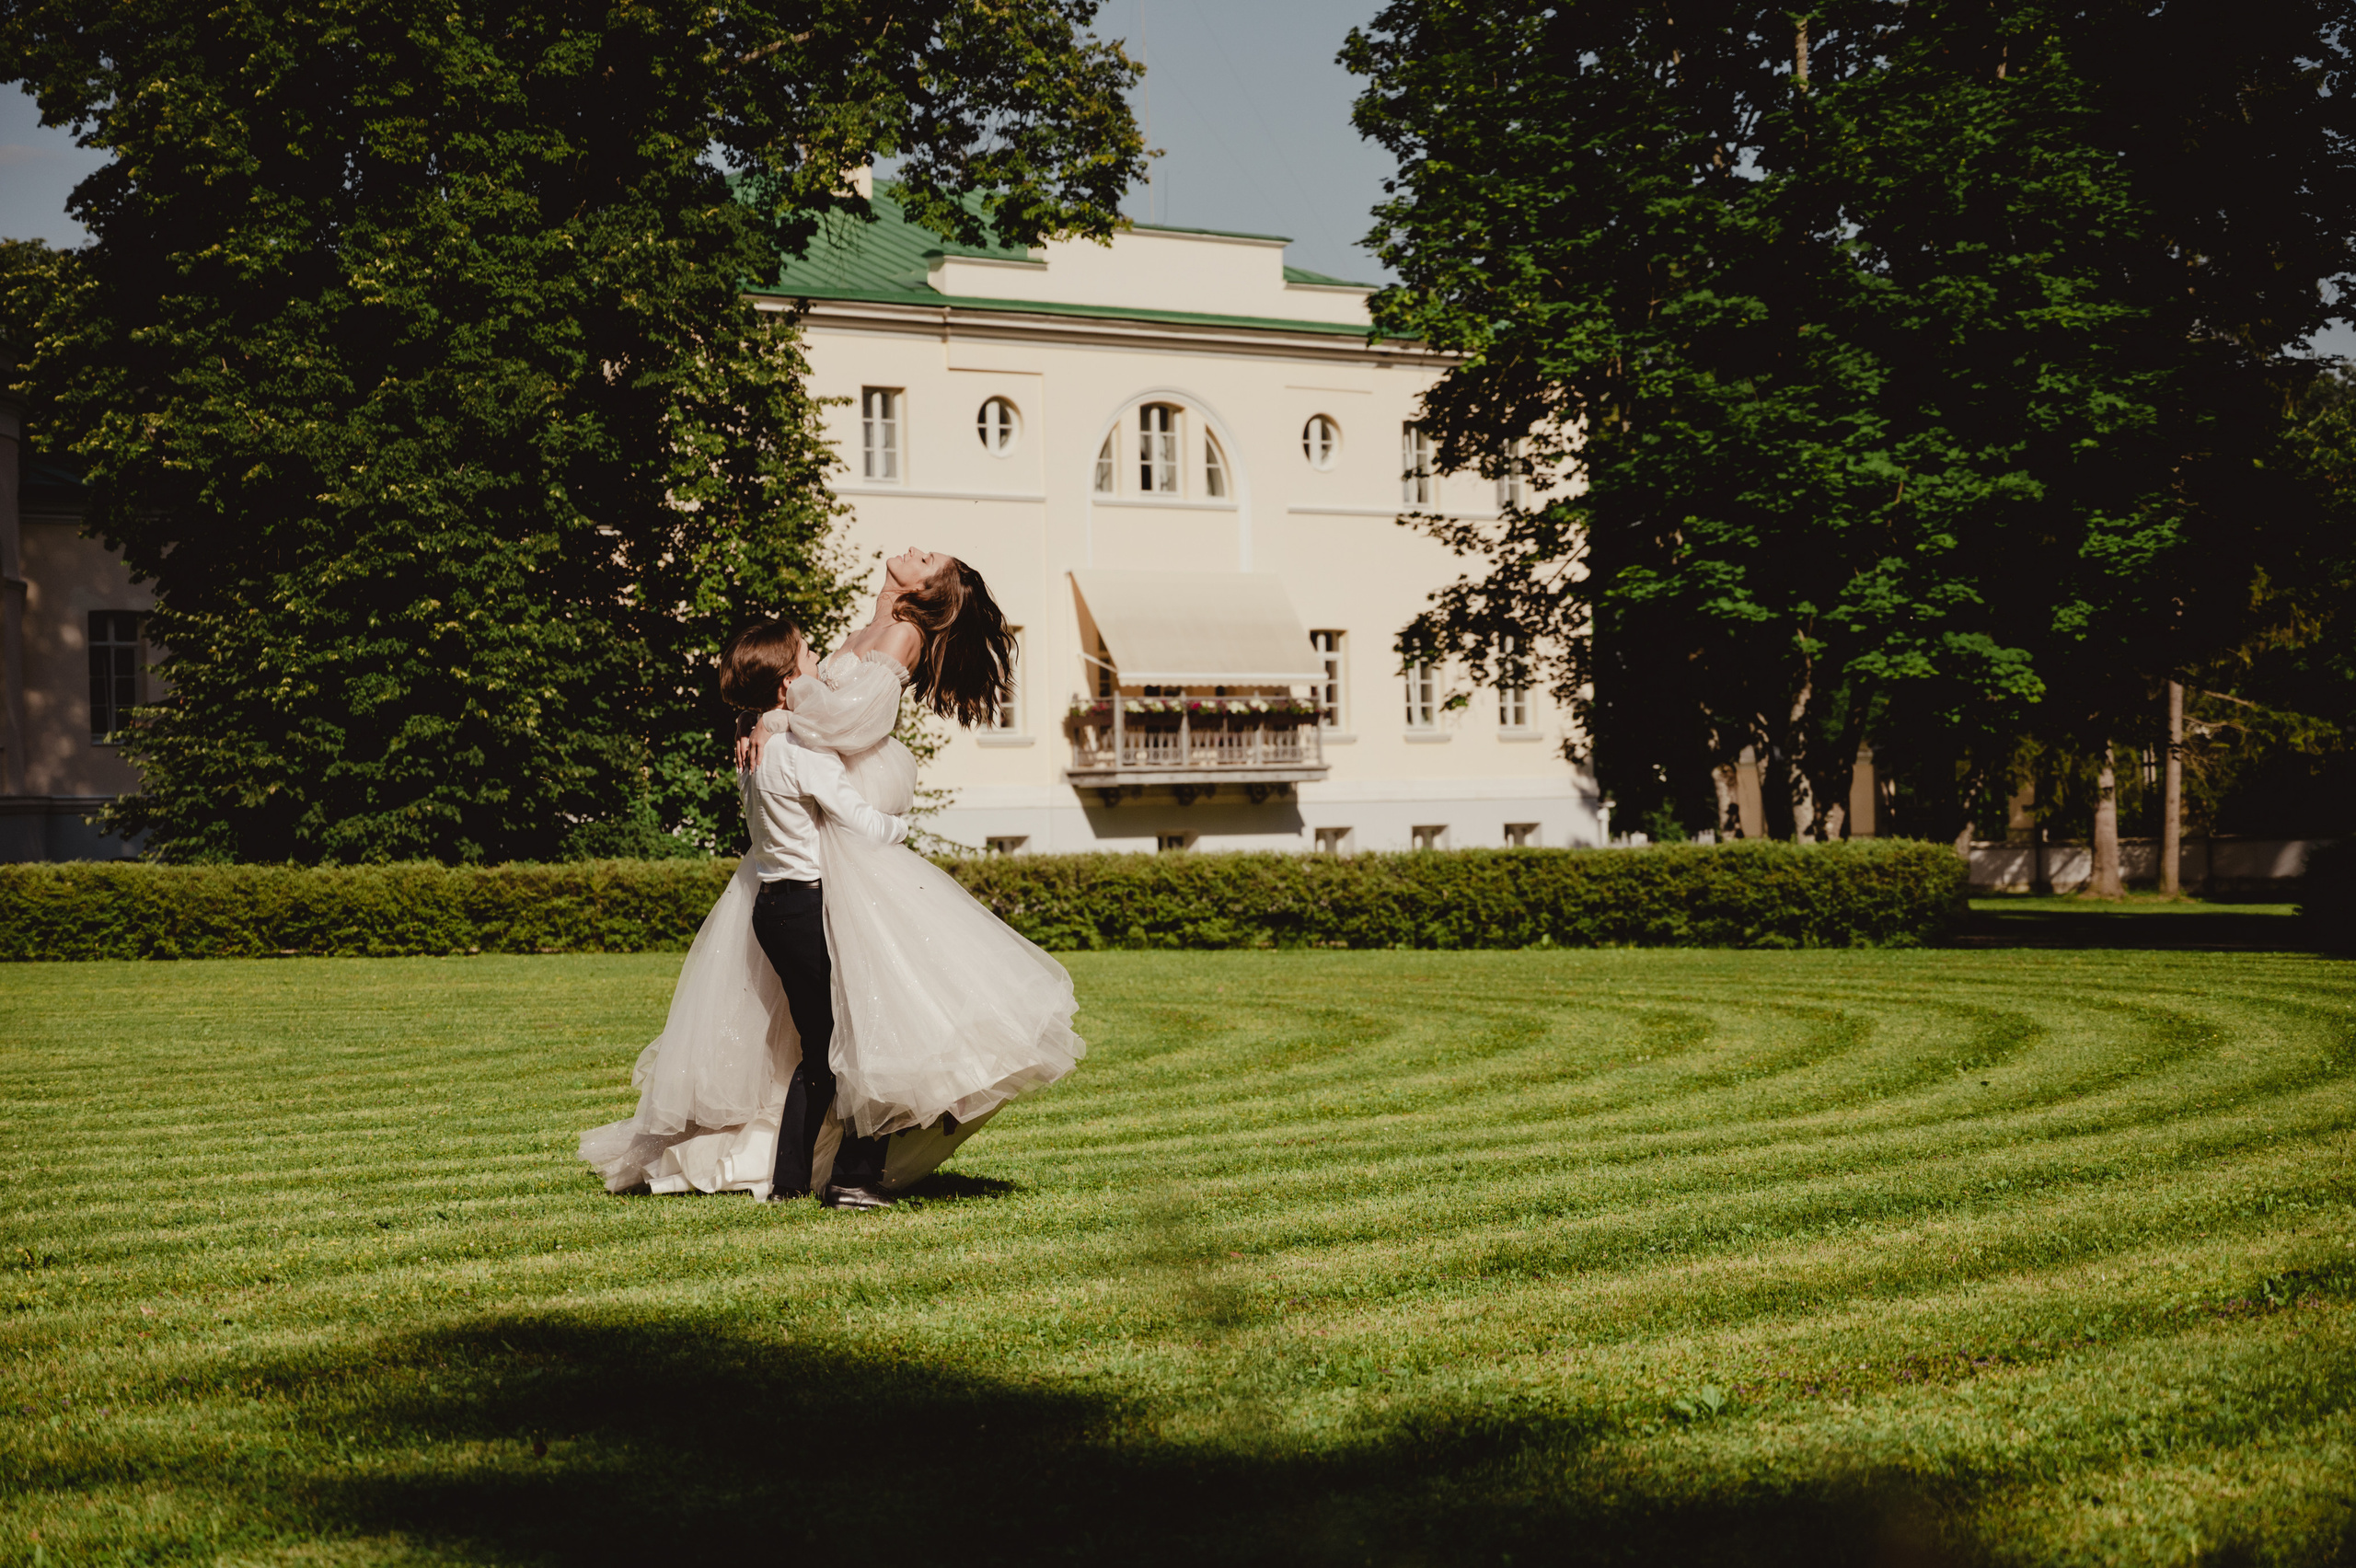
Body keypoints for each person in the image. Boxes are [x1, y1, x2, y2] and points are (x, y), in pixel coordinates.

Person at [580, 548, 1084, 1207]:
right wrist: (765, 717)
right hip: (809, 849)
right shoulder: (863, 631)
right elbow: (803, 700)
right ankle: (813, 1165)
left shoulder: (902, 635)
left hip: (845, 852)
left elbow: (854, 724)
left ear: (926, 590)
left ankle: (851, 1161)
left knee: (868, 1008)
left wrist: (779, 718)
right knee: (822, 1023)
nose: (913, 551)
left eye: (926, 559)